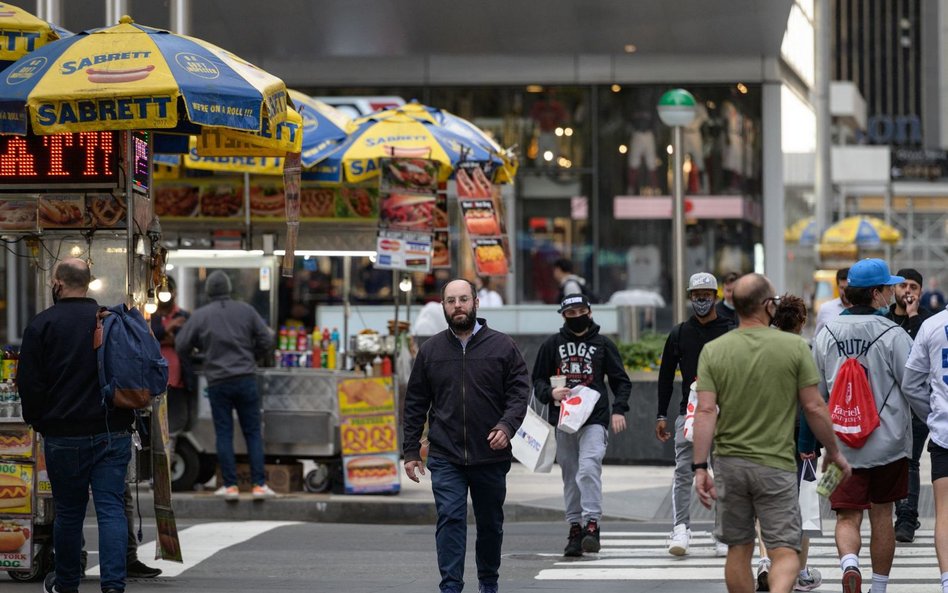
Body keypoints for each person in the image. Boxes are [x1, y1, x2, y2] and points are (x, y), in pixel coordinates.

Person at [692, 273, 850, 593]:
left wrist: (699, 468)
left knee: (739, 548)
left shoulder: (714, 350)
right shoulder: (793, 347)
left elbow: (705, 411)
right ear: (767, 306)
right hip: (775, 464)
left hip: (729, 465)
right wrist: (834, 452)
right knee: (786, 551)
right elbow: (815, 407)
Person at [402, 279, 530, 593]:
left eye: (463, 299)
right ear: (443, 306)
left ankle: (488, 583)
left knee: (490, 525)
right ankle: (450, 587)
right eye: (451, 301)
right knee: (450, 519)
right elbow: (416, 402)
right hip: (445, 455)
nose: (457, 305)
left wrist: (506, 426)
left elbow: (519, 393)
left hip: (490, 454)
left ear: (475, 302)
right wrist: (409, 451)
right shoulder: (431, 350)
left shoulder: (502, 346)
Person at [18, 258, 135, 593]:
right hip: (113, 430)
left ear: (57, 282)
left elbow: (29, 385)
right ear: (89, 282)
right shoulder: (111, 321)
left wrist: (40, 422)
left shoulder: (42, 325)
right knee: (111, 508)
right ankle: (113, 584)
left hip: (63, 434)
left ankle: (67, 583)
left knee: (69, 512)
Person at [811, 258, 915, 593]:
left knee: (845, 515)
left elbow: (815, 395)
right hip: (889, 442)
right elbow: (912, 383)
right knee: (883, 514)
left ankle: (849, 565)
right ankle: (879, 588)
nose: (891, 293)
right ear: (875, 293)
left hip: (840, 448)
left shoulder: (826, 333)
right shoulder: (893, 333)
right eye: (887, 288)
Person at [532, 293, 633, 557]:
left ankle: (592, 524)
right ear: (563, 316)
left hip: (594, 419)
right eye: (570, 314)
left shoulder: (603, 344)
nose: (576, 317)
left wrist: (619, 409)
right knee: (570, 475)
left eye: (580, 312)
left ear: (589, 311)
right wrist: (550, 394)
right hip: (564, 421)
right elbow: (538, 380)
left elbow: (621, 380)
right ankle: (575, 528)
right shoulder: (552, 345)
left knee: (588, 468)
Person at [175, 270, 277, 500]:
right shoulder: (246, 310)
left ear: (209, 291)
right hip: (245, 378)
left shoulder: (201, 315)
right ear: (229, 289)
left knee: (224, 432)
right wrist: (253, 355)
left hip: (218, 381)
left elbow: (181, 345)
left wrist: (201, 352)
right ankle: (259, 485)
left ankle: (230, 486)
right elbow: (267, 339)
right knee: (252, 432)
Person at [655, 272, 734, 557]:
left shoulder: (729, 330)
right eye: (697, 296)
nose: (701, 301)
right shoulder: (679, 333)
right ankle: (680, 528)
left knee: (724, 472)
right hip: (687, 414)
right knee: (683, 472)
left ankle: (722, 532)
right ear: (690, 298)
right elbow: (665, 377)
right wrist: (660, 414)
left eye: (707, 296)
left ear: (716, 297)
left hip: (725, 414)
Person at [757, 294, 822, 592]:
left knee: (766, 501)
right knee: (801, 502)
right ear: (802, 320)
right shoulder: (804, 349)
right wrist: (812, 443)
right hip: (799, 436)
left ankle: (766, 562)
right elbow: (811, 403)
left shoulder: (758, 348)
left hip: (765, 433)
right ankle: (800, 570)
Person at [900, 303, 948, 593]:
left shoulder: (931, 326)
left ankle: (946, 580)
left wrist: (929, 414)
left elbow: (910, 383)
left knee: (944, 512)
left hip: (944, 433)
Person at [885, 267, 934, 543]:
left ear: (921, 292)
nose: (908, 291)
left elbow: (921, 355)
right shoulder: (884, 318)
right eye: (903, 286)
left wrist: (914, 317)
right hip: (887, 403)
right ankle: (899, 509)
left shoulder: (927, 321)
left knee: (910, 460)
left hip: (915, 402)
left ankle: (906, 517)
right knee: (894, 459)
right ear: (893, 289)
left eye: (913, 287)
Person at [814, 267, 850, 337]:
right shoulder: (825, 309)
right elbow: (817, 338)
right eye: (842, 288)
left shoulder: (862, 309)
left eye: (848, 288)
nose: (845, 292)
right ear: (837, 287)